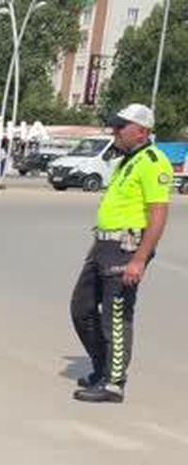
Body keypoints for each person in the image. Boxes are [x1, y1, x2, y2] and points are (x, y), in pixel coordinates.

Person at [70, 103, 173, 403]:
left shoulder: (154, 162)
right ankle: (102, 368)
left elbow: (158, 214)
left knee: (115, 317)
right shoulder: (127, 162)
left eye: (121, 126)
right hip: (103, 247)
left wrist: (140, 259)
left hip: (126, 249)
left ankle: (113, 383)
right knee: (81, 308)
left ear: (141, 131)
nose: (115, 131)